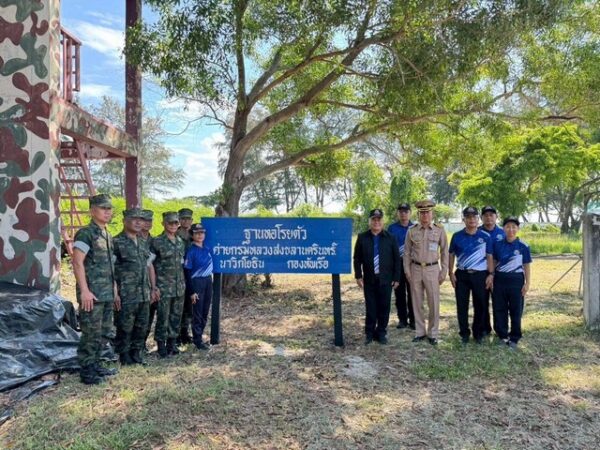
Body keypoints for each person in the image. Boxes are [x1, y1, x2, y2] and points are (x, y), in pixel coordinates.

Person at [72, 194, 120, 385]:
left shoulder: (107, 234)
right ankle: (87, 372)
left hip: (106, 293)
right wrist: (84, 290)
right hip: (91, 294)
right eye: (103, 208)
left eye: (109, 208)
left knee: (104, 332)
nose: (107, 212)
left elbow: (110, 266)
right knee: (91, 333)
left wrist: (114, 289)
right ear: (92, 211)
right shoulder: (86, 234)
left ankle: (96, 364)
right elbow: (77, 262)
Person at [403, 199, 448, 346]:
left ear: (432, 213)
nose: (425, 215)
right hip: (415, 269)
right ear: (418, 214)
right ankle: (420, 331)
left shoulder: (439, 230)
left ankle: (433, 333)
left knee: (433, 302)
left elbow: (445, 252)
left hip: (432, 269)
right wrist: (407, 270)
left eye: (427, 212)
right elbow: (407, 252)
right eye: (422, 213)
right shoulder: (411, 231)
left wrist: (444, 271)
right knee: (416, 302)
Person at [353, 209, 401, 345]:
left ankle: (381, 333)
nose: (376, 222)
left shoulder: (390, 238)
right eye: (373, 219)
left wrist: (396, 278)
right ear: (369, 221)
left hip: (386, 279)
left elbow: (397, 260)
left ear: (382, 221)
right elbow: (357, 258)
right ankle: (369, 334)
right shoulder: (362, 237)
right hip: (369, 280)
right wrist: (358, 276)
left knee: (384, 307)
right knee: (371, 308)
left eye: (379, 219)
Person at [449, 206, 494, 345]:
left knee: (480, 304)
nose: (471, 220)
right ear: (464, 219)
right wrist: (450, 272)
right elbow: (451, 255)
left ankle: (478, 333)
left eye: (474, 217)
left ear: (478, 219)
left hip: (480, 275)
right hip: (462, 275)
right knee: (461, 305)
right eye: (468, 217)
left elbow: (489, 256)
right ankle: (464, 334)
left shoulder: (485, 237)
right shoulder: (457, 236)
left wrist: (491, 274)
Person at [113, 208, 153, 365]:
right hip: (126, 293)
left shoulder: (143, 242)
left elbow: (148, 266)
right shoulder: (116, 242)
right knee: (125, 325)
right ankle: (124, 355)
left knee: (141, 324)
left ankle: (136, 353)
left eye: (141, 220)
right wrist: (115, 293)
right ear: (124, 221)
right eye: (134, 219)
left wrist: (152, 288)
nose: (138, 222)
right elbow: (110, 270)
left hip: (143, 292)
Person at [491, 216, 532, 350]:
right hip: (500, 279)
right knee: (499, 308)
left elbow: (526, 265)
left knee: (516, 309)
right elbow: (494, 262)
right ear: (503, 228)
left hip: (516, 280)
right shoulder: (497, 244)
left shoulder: (523, 246)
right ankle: (502, 335)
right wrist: (491, 276)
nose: (511, 229)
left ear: (518, 228)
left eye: (513, 227)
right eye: (508, 226)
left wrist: (527, 283)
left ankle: (514, 337)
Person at [150, 211, 186, 357]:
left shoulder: (180, 242)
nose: (173, 225)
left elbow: (181, 264)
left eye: (175, 223)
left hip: (179, 287)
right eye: (170, 222)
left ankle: (172, 344)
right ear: (163, 223)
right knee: (163, 317)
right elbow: (149, 264)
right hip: (163, 287)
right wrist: (154, 287)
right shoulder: (157, 242)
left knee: (176, 317)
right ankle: (161, 346)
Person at [184, 223, 214, 350]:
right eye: (197, 233)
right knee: (197, 312)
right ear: (192, 235)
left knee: (205, 311)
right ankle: (197, 340)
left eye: (202, 233)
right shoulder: (191, 251)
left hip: (208, 281)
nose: (200, 235)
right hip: (196, 282)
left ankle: (200, 336)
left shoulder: (207, 248)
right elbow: (187, 272)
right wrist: (191, 291)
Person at [479, 205, 506, 336]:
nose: (488, 218)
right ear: (481, 217)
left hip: (499, 273)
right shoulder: (476, 232)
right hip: (481, 272)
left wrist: (494, 273)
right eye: (486, 215)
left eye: (491, 215)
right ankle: (485, 328)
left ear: (496, 217)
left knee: (499, 302)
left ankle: (500, 329)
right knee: (482, 301)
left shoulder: (503, 233)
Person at [387, 203, 415, 330]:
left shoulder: (415, 228)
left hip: (412, 265)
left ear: (410, 213)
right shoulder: (392, 228)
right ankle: (402, 320)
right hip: (397, 265)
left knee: (413, 293)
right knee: (399, 294)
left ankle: (414, 319)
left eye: (406, 211)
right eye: (401, 211)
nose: (403, 214)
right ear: (398, 213)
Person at [140, 209, 159, 351]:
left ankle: (142, 343)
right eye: (144, 220)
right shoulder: (131, 239)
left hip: (153, 283)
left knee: (149, 315)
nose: (147, 223)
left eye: (149, 220)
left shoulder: (155, 242)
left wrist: (155, 286)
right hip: (134, 285)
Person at [177, 208, 194, 345]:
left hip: (192, 276)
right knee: (178, 307)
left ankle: (185, 333)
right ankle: (176, 335)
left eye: (188, 219)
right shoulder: (174, 234)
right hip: (177, 276)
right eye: (183, 219)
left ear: (191, 220)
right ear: (179, 220)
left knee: (189, 306)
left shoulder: (194, 235)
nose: (186, 221)